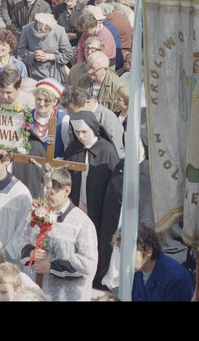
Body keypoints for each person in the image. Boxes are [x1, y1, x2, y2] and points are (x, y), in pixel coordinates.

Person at [18, 167, 98, 302]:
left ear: (66, 191)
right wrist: (31, 253)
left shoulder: (82, 223)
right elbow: (21, 241)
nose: (47, 196)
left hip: (67, 295)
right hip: (35, 292)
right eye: (45, 191)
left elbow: (87, 264)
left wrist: (51, 267)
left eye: (52, 192)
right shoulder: (37, 214)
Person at [63, 111, 121, 285]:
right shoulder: (73, 149)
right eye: (77, 132)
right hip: (76, 204)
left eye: (84, 132)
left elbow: (113, 184)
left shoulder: (107, 150)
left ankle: (96, 276)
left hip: (99, 208)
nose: (80, 136)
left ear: (94, 129)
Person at [117, 222, 194, 301]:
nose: (126, 258)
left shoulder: (175, 278)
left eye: (129, 253)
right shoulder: (135, 273)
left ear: (148, 251)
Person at [17, 12, 73, 83]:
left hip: (55, 73)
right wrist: (33, 55)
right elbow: (21, 50)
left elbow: (68, 54)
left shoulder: (59, 31)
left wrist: (51, 56)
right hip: (34, 72)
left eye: (45, 31)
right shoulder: (27, 29)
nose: (42, 33)